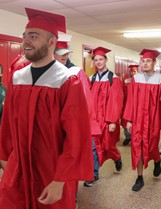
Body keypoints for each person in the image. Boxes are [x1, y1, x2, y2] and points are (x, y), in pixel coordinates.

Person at [0, 8, 94, 209]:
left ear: (52, 42)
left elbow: (76, 136)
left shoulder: (67, 81)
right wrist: (4, 157)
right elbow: (7, 122)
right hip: (19, 167)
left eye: (34, 36)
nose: (26, 41)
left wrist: (61, 180)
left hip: (52, 170)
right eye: (25, 36)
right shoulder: (18, 78)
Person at [124, 49, 161, 192]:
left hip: (153, 121)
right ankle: (140, 177)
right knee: (137, 147)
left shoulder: (160, 80)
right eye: (143, 61)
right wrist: (129, 120)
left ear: (154, 63)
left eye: (148, 61)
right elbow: (130, 100)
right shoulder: (136, 79)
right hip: (137, 120)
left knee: (151, 147)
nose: (145, 64)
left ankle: (157, 160)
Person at [54, 34, 102, 188]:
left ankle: (72, 196)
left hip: (71, 121)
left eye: (66, 53)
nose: (64, 57)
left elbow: (85, 101)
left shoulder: (76, 72)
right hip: (53, 125)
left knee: (73, 154)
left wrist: (86, 124)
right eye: (61, 54)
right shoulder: (48, 73)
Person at [89, 46, 124, 175]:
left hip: (107, 120)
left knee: (107, 145)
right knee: (94, 146)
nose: (98, 62)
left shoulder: (113, 79)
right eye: (96, 59)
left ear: (106, 60)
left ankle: (116, 157)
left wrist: (113, 121)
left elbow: (116, 101)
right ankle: (94, 174)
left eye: (101, 59)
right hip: (93, 120)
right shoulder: (91, 79)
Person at [122, 64, 139, 146]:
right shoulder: (126, 81)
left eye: (135, 71)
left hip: (137, 105)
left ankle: (136, 137)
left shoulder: (140, 81)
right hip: (127, 104)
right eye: (132, 72)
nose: (133, 73)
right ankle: (128, 137)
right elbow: (122, 93)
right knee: (126, 120)